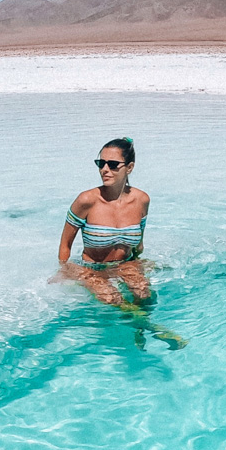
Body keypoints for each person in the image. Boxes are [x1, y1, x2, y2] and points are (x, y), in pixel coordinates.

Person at [57, 137, 185, 348]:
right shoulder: (86, 200)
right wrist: (64, 271)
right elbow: (65, 246)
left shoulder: (142, 200)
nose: (105, 169)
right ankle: (155, 330)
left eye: (113, 164)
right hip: (92, 268)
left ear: (130, 167)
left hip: (124, 263)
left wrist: (139, 266)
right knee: (111, 298)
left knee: (143, 292)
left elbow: (138, 244)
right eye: (101, 163)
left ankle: (138, 329)